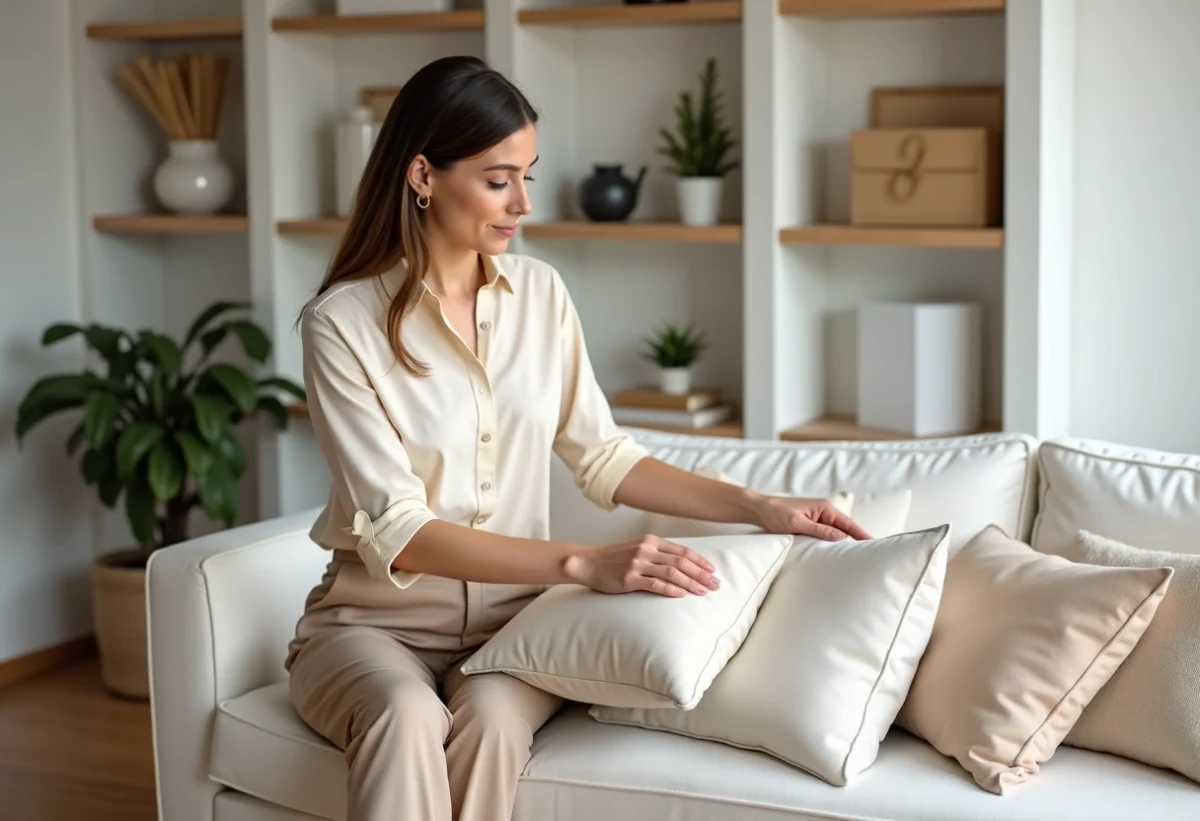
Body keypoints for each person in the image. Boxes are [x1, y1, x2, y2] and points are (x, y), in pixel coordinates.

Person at [286, 55, 870, 821]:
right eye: (499, 180)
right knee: (407, 716)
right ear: (423, 175)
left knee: (491, 727)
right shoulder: (342, 324)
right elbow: (401, 533)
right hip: (372, 627)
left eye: (529, 175)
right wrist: (581, 562)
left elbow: (603, 455)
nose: (523, 203)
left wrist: (758, 505)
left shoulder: (541, 295)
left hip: (512, 629)